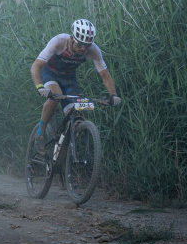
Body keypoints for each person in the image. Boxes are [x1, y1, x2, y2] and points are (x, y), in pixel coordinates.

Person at [29, 19, 121, 155]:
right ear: (72, 38)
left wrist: (113, 95)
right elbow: (36, 66)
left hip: (69, 79)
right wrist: (39, 86)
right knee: (55, 96)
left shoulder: (93, 50)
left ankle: (61, 152)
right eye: (81, 44)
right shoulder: (59, 41)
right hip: (50, 74)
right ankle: (40, 134)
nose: (83, 48)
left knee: (77, 114)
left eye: (87, 45)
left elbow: (105, 75)